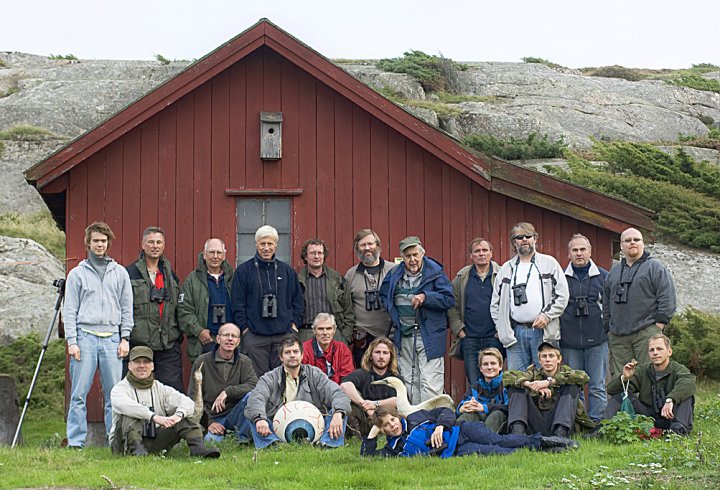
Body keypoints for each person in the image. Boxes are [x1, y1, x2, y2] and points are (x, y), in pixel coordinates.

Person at [63, 222, 133, 448]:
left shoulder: (120, 272)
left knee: (114, 396)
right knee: (79, 395)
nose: (100, 245)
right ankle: (76, 442)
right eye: (96, 241)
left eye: (103, 241)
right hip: (85, 338)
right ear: (88, 243)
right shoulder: (77, 274)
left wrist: (125, 338)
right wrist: (72, 342)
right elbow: (70, 309)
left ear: (108, 243)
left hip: (112, 339)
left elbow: (126, 308)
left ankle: (114, 441)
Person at [380, 236, 455, 404]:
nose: (412, 259)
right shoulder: (394, 273)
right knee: (409, 381)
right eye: (408, 256)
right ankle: (415, 421)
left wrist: (426, 297)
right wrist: (393, 310)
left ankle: (431, 422)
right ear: (402, 257)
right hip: (404, 335)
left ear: (423, 253)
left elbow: (449, 299)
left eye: (415, 254)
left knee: (430, 382)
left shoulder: (435, 273)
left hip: (429, 336)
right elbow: (384, 294)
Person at [109, 346, 220, 458]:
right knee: (130, 415)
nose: (142, 366)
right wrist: (154, 417)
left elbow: (188, 403)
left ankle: (198, 449)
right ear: (129, 366)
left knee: (184, 415)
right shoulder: (119, 389)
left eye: (146, 362)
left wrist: (178, 415)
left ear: (152, 366)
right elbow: (127, 406)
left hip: (154, 439)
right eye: (137, 362)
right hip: (124, 444)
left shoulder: (160, 388)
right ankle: (136, 451)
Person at [244, 334, 351, 449]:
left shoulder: (315, 374)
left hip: (313, 423)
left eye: (295, 352)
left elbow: (338, 394)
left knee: (340, 409)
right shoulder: (269, 378)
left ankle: (327, 444)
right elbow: (256, 398)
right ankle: (272, 445)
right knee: (252, 407)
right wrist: (260, 419)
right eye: (287, 352)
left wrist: (338, 414)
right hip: (278, 427)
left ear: (302, 355)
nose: (292, 355)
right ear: (281, 357)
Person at [491, 222, 569, 371]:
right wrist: (502, 328)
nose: (524, 240)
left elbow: (562, 295)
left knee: (546, 378)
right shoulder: (506, 269)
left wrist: (546, 316)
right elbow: (495, 304)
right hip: (515, 334)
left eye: (528, 236)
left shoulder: (549, 263)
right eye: (519, 237)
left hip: (544, 332)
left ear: (535, 239)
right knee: (516, 381)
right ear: (514, 242)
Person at [361, 406, 577, 458]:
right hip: (456, 449)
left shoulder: (414, 418)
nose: (393, 426)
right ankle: (546, 451)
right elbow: (367, 456)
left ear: (397, 416)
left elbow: (445, 410)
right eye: (386, 426)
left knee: (501, 439)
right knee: (495, 451)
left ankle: (546, 441)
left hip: (462, 430)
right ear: (383, 430)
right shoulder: (393, 448)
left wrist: (440, 426)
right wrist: (373, 431)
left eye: (392, 420)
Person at [231, 225, 304, 377]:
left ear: (276, 245)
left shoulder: (287, 271)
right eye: (262, 243)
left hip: (283, 335)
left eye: (270, 244)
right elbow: (237, 303)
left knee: (283, 379)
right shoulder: (244, 271)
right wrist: (245, 329)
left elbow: (298, 301)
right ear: (256, 244)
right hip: (255, 337)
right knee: (258, 382)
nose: (266, 248)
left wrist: (294, 325)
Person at [603, 227, 677, 377]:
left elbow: (667, 297)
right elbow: (606, 301)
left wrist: (658, 325)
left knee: (649, 376)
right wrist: (608, 327)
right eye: (628, 240)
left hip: (646, 332)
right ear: (621, 245)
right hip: (618, 336)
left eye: (636, 240)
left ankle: (652, 402)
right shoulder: (614, 272)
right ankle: (625, 402)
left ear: (643, 243)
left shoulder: (655, 267)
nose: (632, 243)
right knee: (620, 379)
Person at [126, 226, 184, 392]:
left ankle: (173, 419)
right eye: (151, 242)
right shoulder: (130, 274)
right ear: (143, 245)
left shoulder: (170, 276)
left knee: (172, 392)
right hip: (140, 343)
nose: (155, 246)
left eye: (159, 242)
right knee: (137, 390)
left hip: (168, 344)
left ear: (164, 246)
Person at [559, 234, 609, 423]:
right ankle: (578, 422)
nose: (579, 254)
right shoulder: (561, 278)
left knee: (597, 385)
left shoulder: (604, 276)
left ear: (590, 251)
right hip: (569, 341)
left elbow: (610, 307)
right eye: (575, 250)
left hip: (597, 339)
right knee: (573, 385)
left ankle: (597, 422)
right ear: (569, 254)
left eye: (582, 249)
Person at [606, 334, 695, 435]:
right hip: (647, 418)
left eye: (659, 349)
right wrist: (625, 378)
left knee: (687, 395)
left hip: (671, 417)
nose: (655, 353)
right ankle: (606, 429)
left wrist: (671, 399)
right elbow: (611, 390)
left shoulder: (678, 369)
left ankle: (678, 431)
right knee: (620, 395)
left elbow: (689, 382)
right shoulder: (643, 370)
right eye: (651, 350)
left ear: (669, 352)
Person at [504, 341, 594, 437]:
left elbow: (583, 376)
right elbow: (507, 376)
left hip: (560, 422)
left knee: (572, 386)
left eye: (551, 356)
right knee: (516, 387)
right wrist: (530, 385)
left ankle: (560, 434)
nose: (547, 360)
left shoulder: (567, 372)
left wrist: (549, 382)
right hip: (536, 422)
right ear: (539, 360)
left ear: (559, 359)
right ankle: (518, 434)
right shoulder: (533, 374)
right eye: (544, 356)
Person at [188, 323, 257, 443]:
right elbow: (193, 397)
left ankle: (242, 438)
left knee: (251, 397)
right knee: (211, 442)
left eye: (234, 336)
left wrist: (227, 391)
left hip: (235, 415)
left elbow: (253, 385)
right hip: (212, 417)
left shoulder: (244, 361)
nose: (230, 339)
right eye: (226, 335)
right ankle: (230, 436)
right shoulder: (202, 362)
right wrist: (209, 422)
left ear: (238, 341)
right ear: (218, 339)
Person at [448, 237, 503, 386]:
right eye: (477, 251)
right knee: (474, 382)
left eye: (485, 250)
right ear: (471, 256)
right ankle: (475, 408)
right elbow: (452, 305)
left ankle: (494, 408)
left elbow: (510, 305)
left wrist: (501, 330)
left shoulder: (503, 275)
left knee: (495, 381)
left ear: (491, 253)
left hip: (494, 337)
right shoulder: (462, 277)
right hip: (470, 338)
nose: (481, 254)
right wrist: (460, 331)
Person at [344, 229, 395, 368]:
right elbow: (346, 307)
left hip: (391, 336)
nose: (367, 248)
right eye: (362, 245)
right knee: (364, 379)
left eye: (370, 244)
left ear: (378, 246)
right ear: (357, 249)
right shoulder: (351, 275)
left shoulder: (394, 271)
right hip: (363, 338)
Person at [178, 238, 234, 364]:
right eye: (211, 252)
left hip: (231, 342)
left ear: (224, 255)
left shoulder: (234, 278)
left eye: (219, 253)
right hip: (204, 342)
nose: (215, 256)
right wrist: (199, 331)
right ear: (204, 255)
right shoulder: (192, 281)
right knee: (204, 382)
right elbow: (184, 311)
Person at [297, 239, 355, 344]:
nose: (316, 256)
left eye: (320, 253)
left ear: (324, 256)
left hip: (333, 335)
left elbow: (348, 312)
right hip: (306, 334)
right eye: (312, 253)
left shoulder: (338, 280)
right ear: (305, 256)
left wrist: (345, 338)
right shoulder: (296, 280)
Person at [340, 337, 399, 437]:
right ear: (370, 355)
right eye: (377, 352)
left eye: (385, 353)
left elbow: (400, 400)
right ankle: (355, 437)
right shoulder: (362, 373)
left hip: (387, 419)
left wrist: (375, 404)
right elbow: (344, 385)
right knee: (350, 407)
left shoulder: (396, 378)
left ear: (390, 357)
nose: (381, 357)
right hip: (366, 417)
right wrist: (365, 405)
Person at [456, 348, 508, 433]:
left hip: (501, 426)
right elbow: (465, 402)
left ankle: (484, 444)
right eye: (485, 364)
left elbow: (509, 408)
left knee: (497, 414)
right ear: (480, 368)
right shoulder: (475, 386)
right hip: (479, 421)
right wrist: (462, 408)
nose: (489, 367)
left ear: (500, 366)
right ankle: (452, 440)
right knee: (467, 414)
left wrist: (484, 408)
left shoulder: (506, 385)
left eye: (493, 363)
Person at [301, 313, 354, 384]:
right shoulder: (304, 349)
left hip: (338, 391)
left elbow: (348, 377)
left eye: (329, 329)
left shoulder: (342, 348)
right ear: (314, 331)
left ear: (334, 330)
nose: (325, 333)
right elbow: (302, 378)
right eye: (321, 329)